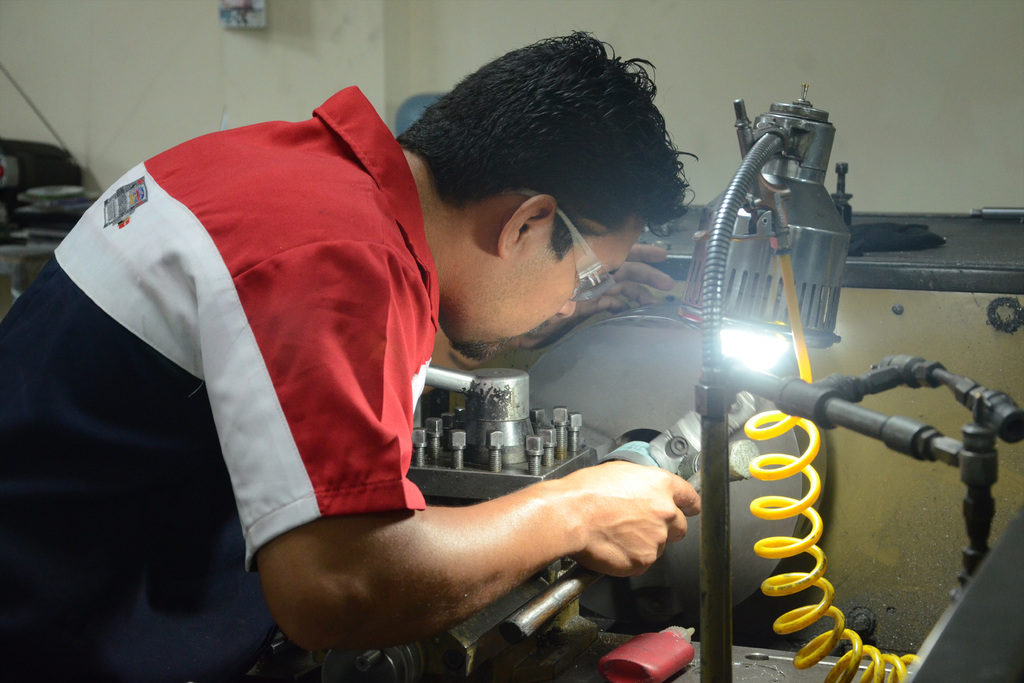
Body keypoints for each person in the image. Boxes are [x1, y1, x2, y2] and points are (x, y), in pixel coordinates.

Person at [0, 33, 699, 681]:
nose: (572, 303)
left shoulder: (296, 177)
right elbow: (337, 587)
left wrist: (533, 330)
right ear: (527, 223)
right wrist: (576, 508)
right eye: (587, 277)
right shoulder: (335, 257)